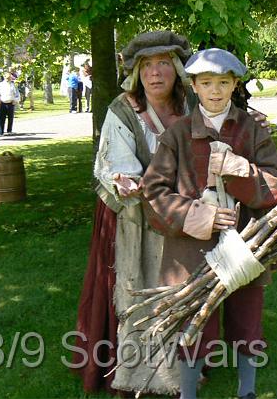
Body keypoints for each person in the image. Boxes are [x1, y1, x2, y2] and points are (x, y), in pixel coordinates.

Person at [142, 48, 277, 399]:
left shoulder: (252, 130)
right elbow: (153, 192)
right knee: (197, 322)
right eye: (206, 83)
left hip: (245, 243)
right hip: (192, 250)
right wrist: (200, 216)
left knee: (246, 318)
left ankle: (247, 392)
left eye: (223, 83)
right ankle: (189, 393)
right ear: (194, 85)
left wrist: (243, 171)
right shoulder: (177, 135)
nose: (215, 91)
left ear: (234, 84)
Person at [73, 30, 196, 395]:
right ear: (137, 72)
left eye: (163, 64)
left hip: (182, 212)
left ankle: (181, 368)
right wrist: (126, 180)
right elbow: (116, 165)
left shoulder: (192, 105)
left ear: (176, 69)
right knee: (135, 288)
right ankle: (133, 368)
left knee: (182, 288)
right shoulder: (122, 110)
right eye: (147, 66)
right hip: (132, 217)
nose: (155, 73)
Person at [0, 71, 20, 136]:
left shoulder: (13, 85)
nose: (8, 78)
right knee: (2, 118)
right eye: (6, 77)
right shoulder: (0, 85)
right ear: (4, 77)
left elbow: (17, 94)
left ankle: (9, 130)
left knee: (10, 118)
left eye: (9, 77)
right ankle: (1, 131)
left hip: (11, 103)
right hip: (2, 103)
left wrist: (15, 100)